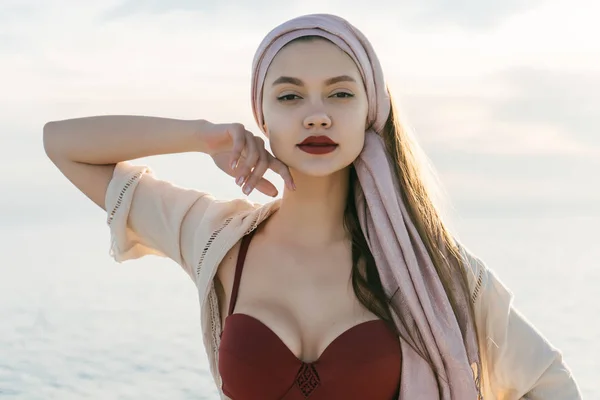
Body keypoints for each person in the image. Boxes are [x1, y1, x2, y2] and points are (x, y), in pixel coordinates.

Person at [43, 13, 581, 400]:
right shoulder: (216, 237)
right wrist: (205, 136)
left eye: (341, 94)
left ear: (371, 110)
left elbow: (551, 385)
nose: (317, 115)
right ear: (262, 114)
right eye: (290, 95)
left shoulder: (433, 268)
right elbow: (62, 144)